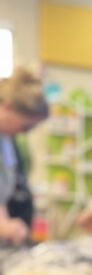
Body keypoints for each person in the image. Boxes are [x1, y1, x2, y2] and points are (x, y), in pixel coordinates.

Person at [0, 67, 48, 245]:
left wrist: (6, 224)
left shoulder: (6, 141)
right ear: (8, 107)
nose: (23, 133)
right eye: (25, 127)